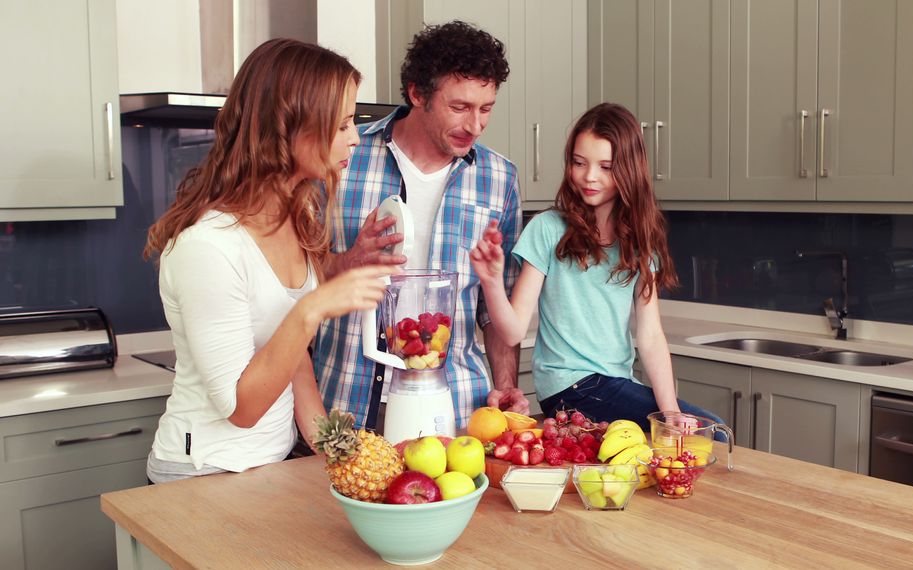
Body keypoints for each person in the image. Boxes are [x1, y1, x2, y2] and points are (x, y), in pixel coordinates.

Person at [142, 38, 396, 483]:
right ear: (287, 127)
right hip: (199, 477)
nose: (355, 137)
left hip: (265, 471)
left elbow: (294, 363)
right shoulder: (208, 247)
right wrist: (314, 307)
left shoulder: (297, 218)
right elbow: (242, 409)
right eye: (342, 125)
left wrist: (351, 458)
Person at [314, 21, 528, 432]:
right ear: (417, 93)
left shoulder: (499, 178)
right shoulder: (346, 157)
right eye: (460, 107)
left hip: (456, 410)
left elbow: (495, 307)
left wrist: (505, 387)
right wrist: (348, 262)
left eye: (486, 109)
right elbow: (296, 274)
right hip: (347, 406)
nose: (476, 125)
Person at [469, 102, 726, 437]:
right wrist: (490, 281)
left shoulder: (639, 242)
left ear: (629, 171)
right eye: (579, 162)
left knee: (692, 433)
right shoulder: (548, 228)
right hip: (569, 390)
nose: (589, 176)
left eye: (606, 166)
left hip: (614, 385)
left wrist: (670, 412)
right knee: (714, 435)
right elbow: (514, 331)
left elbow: (650, 337)